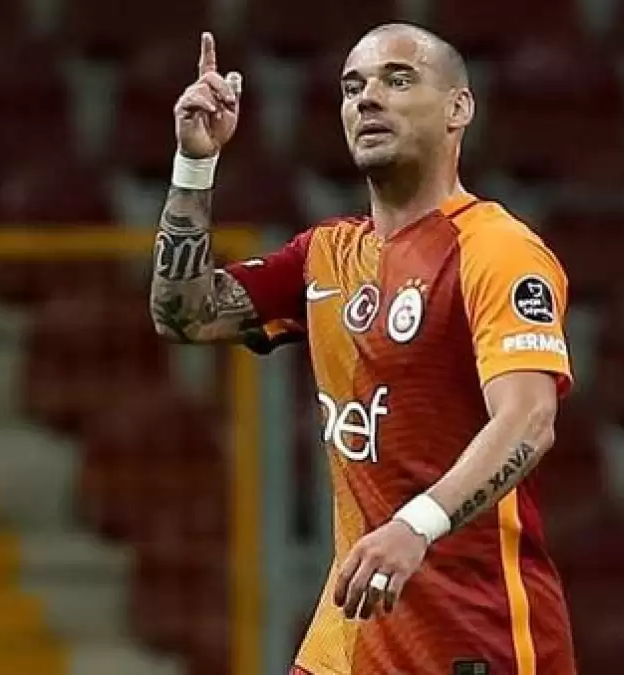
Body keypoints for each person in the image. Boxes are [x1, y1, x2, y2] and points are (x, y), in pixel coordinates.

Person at [150, 23, 577, 675]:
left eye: (398, 80)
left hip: (478, 635)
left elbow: (529, 418)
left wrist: (416, 525)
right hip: (351, 637)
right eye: (353, 88)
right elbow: (182, 313)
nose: (368, 98)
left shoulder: (498, 249)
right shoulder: (325, 256)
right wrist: (194, 163)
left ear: (459, 108)